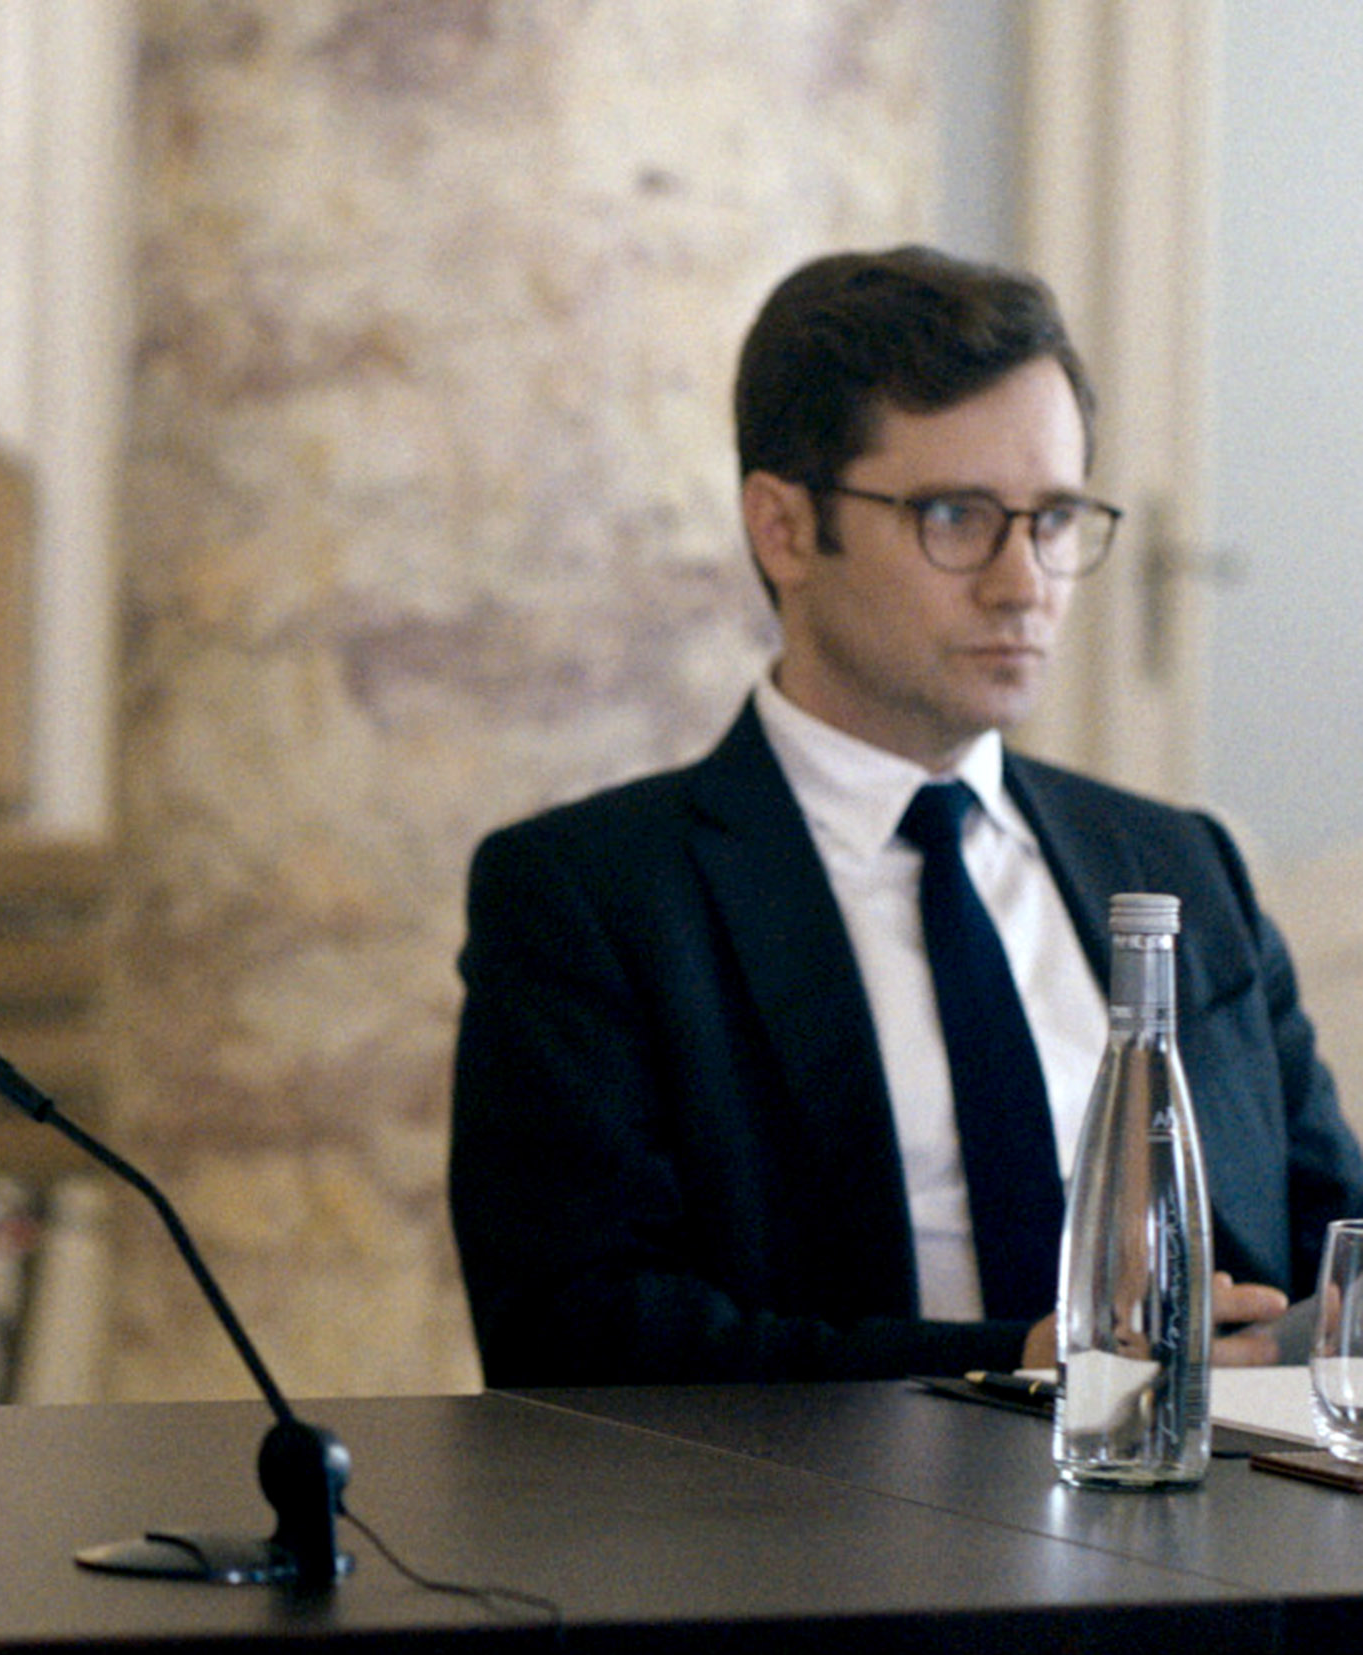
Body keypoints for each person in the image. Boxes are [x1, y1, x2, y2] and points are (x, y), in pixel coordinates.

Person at [450, 245, 1363, 1385]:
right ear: (783, 528)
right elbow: (571, 1333)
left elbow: (1337, 1247)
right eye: (955, 516)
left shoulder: (1178, 860)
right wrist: (1020, 1367)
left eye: (1055, 518)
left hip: (1220, 1493)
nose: (1023, 582)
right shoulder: (591, 897)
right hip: (809, 1504)